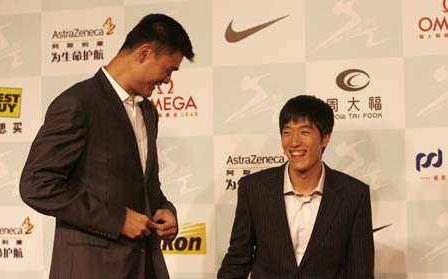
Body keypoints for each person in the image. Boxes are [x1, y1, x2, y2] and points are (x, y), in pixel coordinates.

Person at [19, 13, 194, 279]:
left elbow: (144, 186)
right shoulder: (78, 103)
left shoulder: (148, 112)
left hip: (144, 267)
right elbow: (37, 185)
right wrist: (117, 219)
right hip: (92, 268)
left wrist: (166, 210)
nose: (168, 81)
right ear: (144, 53)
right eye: (168, 69)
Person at [218, 95, 374, 278]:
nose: (294, 142)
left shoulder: (354, 194)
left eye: (304, 132)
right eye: (287, 132)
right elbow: (237, 261)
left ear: (325, 138)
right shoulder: (253, 189)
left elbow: (361, 272)